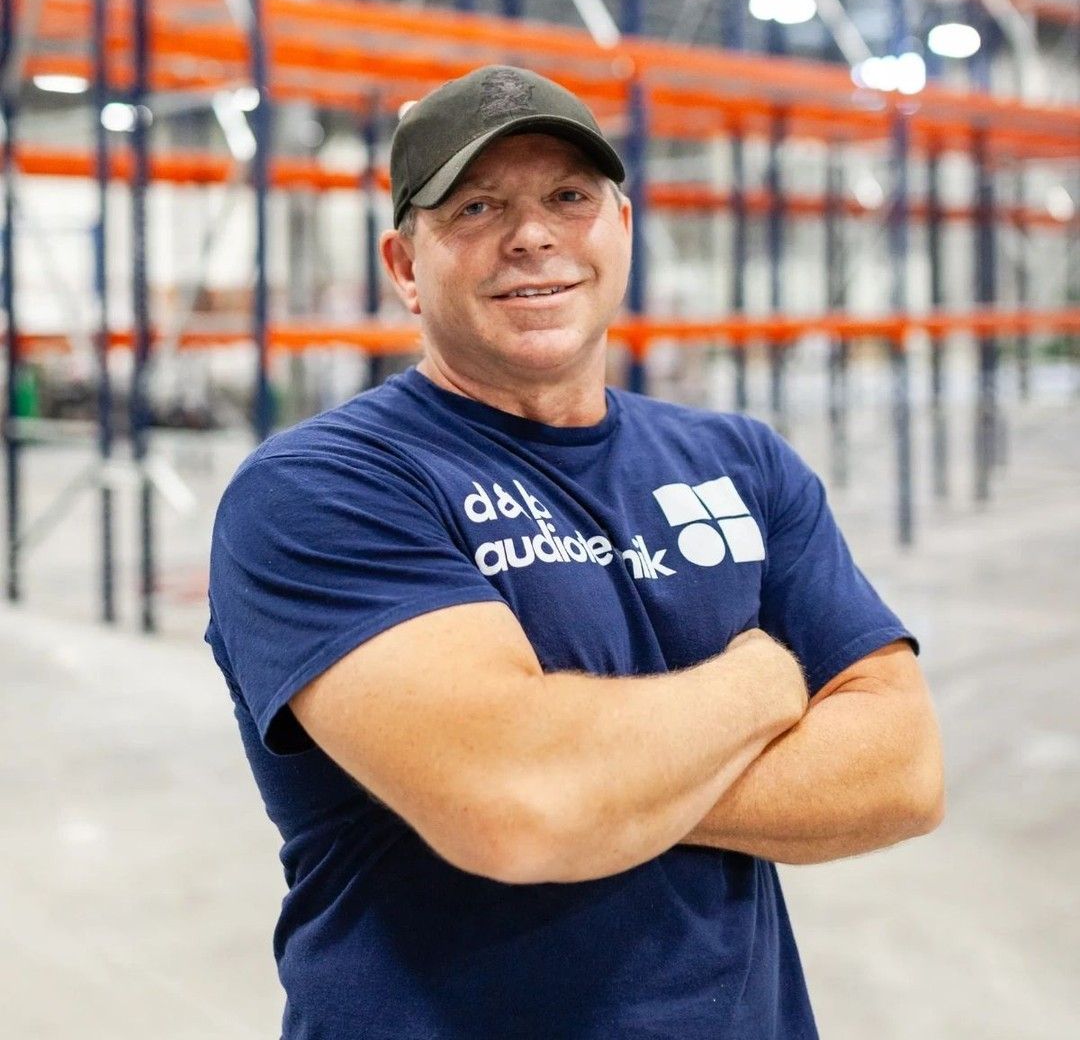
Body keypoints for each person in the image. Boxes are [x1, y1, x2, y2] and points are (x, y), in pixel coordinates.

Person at [206, 65, 944, 1039]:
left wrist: (599, 782)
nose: (533, 235)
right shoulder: (322, 489)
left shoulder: (741, 462)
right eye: (477, 206)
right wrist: (762, 683)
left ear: (623, 228)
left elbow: (903, 772)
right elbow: (522, 803)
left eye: (569, 197)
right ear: (403, 266)